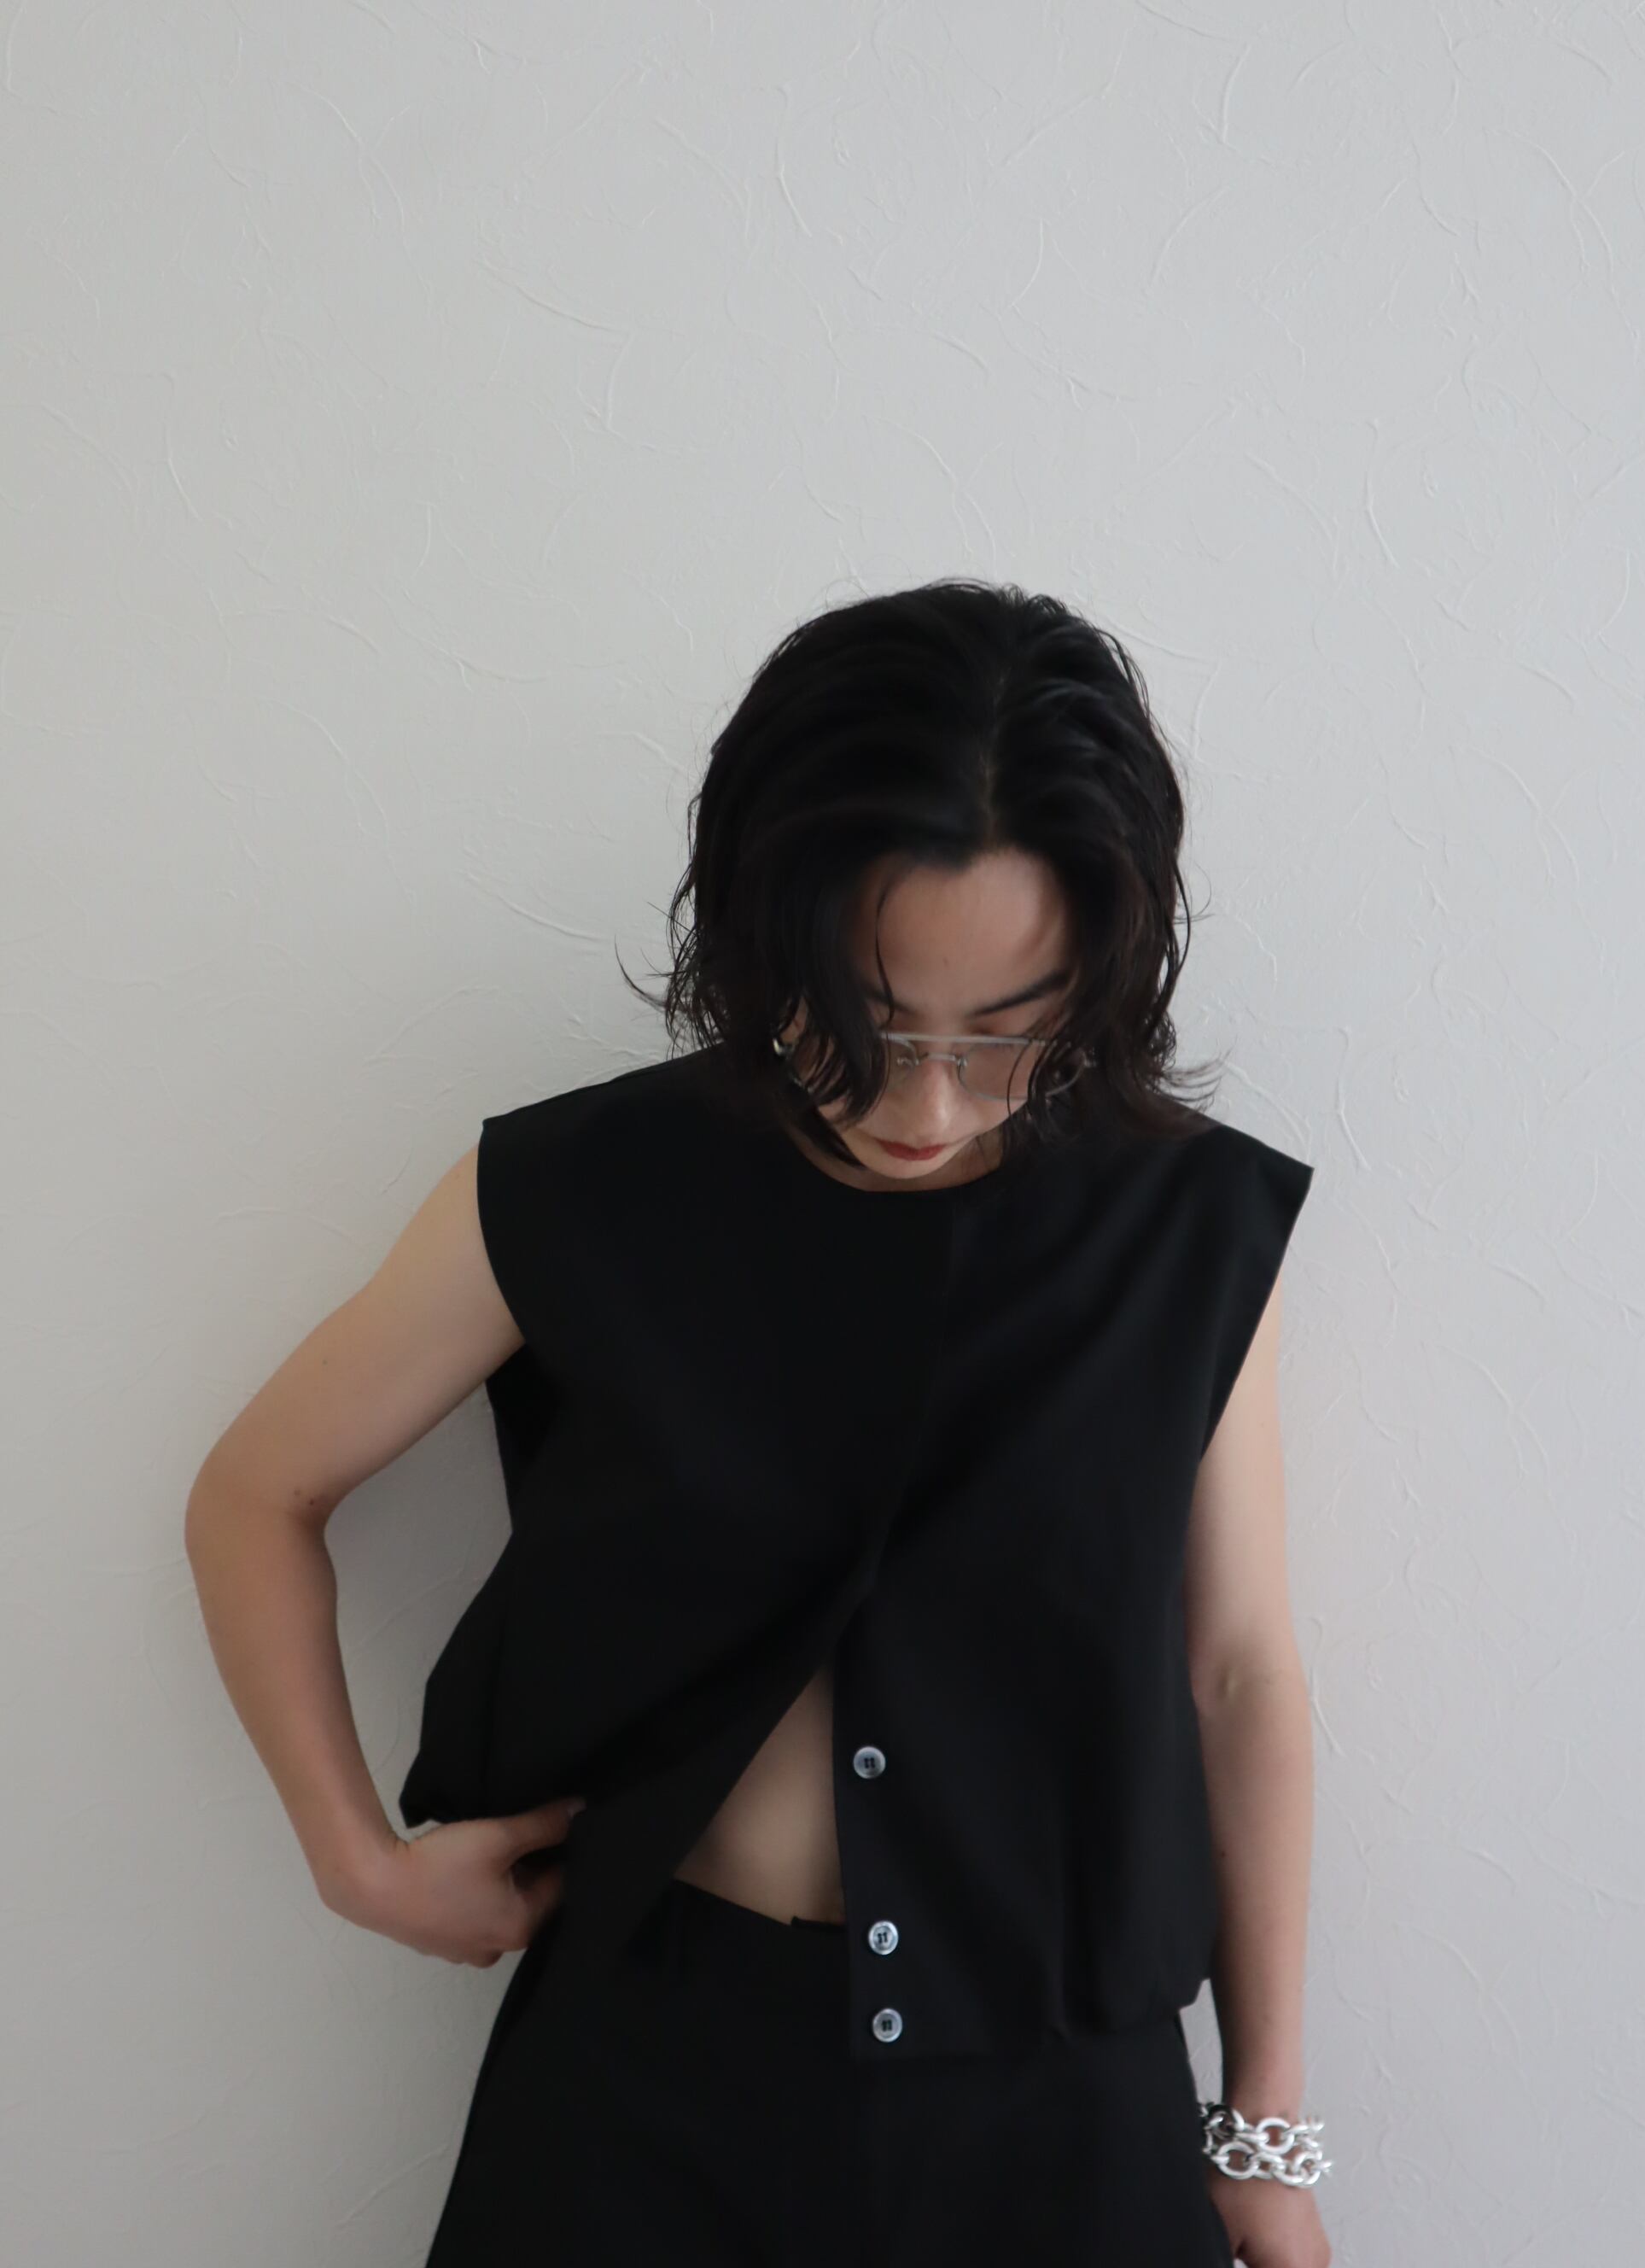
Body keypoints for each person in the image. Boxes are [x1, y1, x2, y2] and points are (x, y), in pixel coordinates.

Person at [185, 578, 1332, 2267]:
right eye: (865, 1020)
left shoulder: (1189, 1230)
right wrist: (357, 1858)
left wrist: (1266, 2128)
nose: (927, 1100)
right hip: (646, 2078)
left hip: (1060, 2097)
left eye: (1008, 1036)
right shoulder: (578, 1187)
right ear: (759, 925)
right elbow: (258, 1491)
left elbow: (1237, 1674)